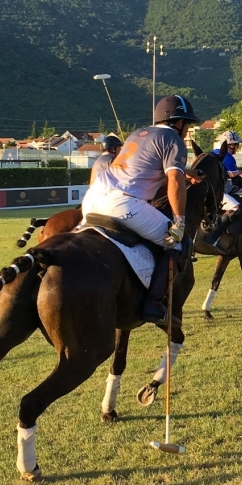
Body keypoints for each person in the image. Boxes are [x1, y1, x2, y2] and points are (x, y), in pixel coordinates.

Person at [81, 94, 199, 325]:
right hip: (122, 203)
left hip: (93, 198)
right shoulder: (173, 139)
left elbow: (147, 170)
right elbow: (173, 181)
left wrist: (187, 174)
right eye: (188, 124)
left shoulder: (138, 133)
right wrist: (179, 222)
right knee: (180, 242)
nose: (187, 130)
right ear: (179, 122)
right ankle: (154, 305)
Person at [204, 130, 242, 248]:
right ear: (231, 145)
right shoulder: (228, 157)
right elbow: (237, 181)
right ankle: (213, 237)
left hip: (206, 188)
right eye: (237, 144)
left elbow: (232, 174)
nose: (238, 147)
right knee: (237, 208)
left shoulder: (214, 153)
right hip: (213, 192)